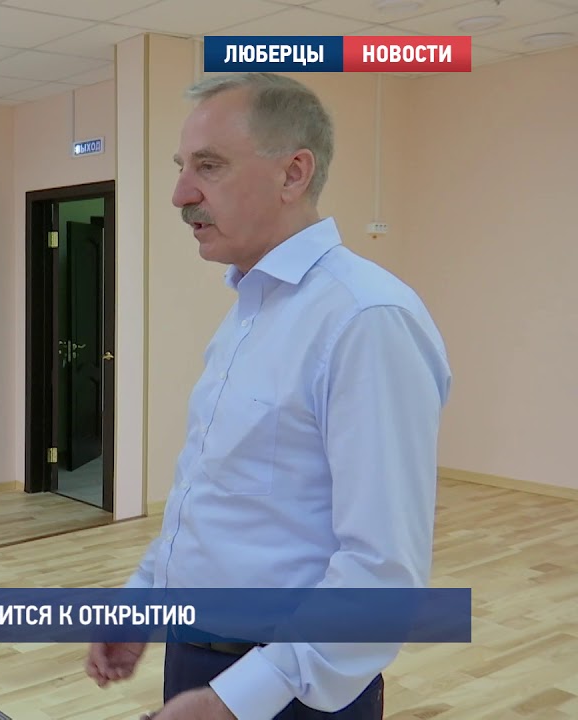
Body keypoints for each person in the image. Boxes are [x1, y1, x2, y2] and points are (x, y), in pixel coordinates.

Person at [86, 73, 452, 719]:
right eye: (181, 167)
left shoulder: (365, 319)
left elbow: (382, 573)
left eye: (209, 166)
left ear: (293, 174)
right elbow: (210, 495)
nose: (180, 193)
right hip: (202, 660)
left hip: (294, 687)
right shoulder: (251, 309)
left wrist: (236, 700)